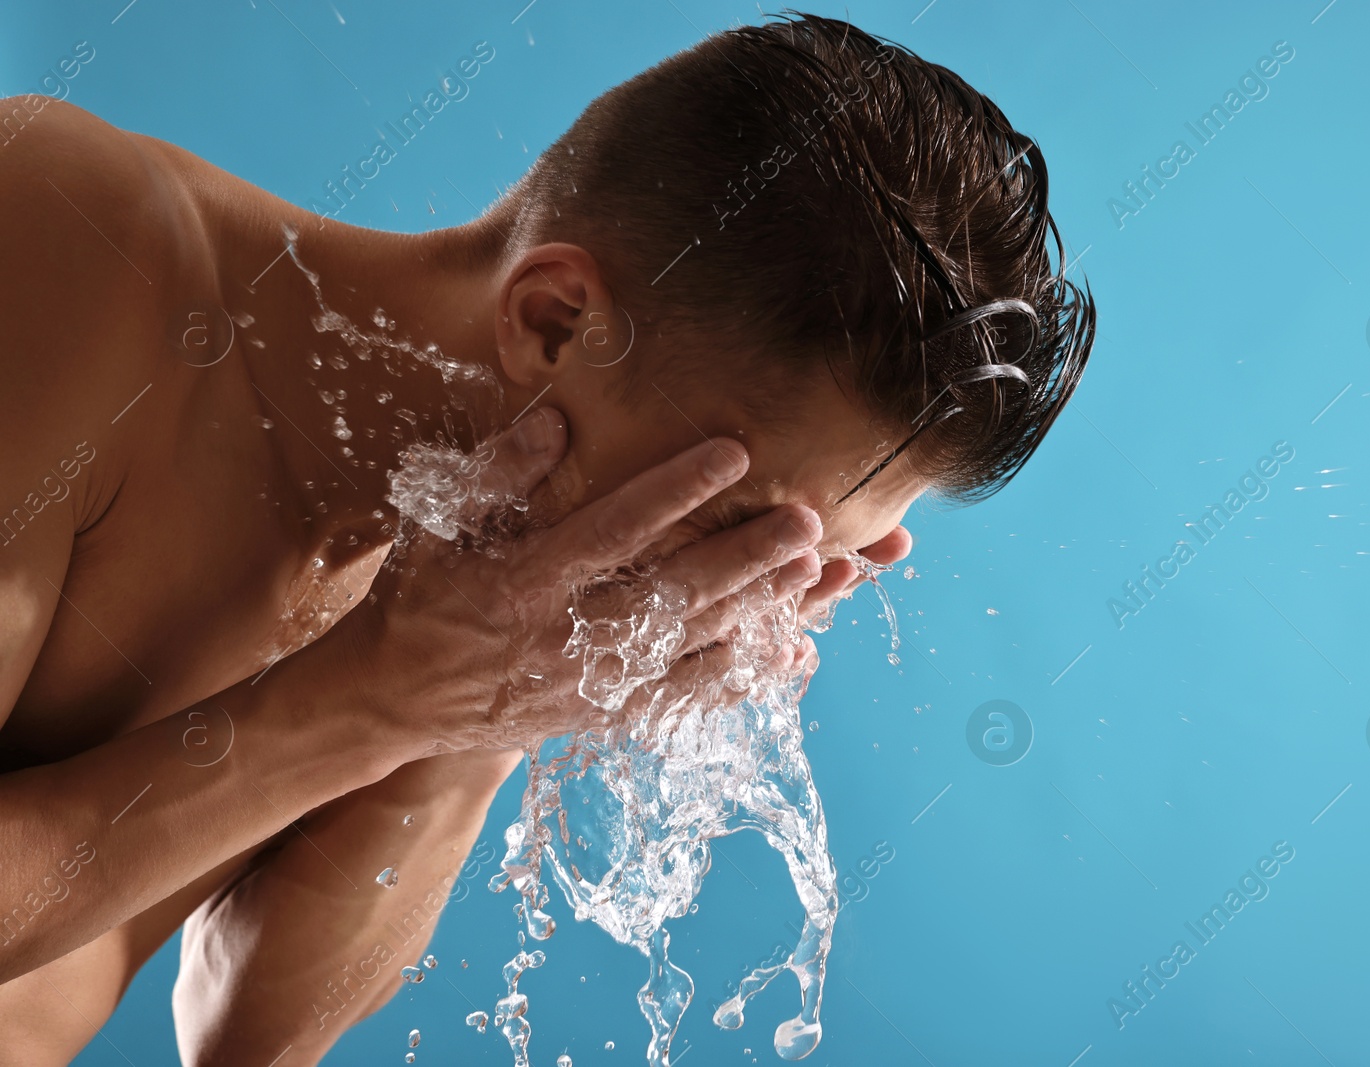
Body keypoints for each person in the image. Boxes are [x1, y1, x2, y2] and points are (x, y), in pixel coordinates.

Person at [0, 12, 1092, 1065]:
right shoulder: (67, 234)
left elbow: (250, 1033)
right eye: (732, 528)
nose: (737, 597)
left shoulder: (467, 577)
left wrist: (492, 707)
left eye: (802, 562)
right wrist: (372, 698)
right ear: (553, 323)